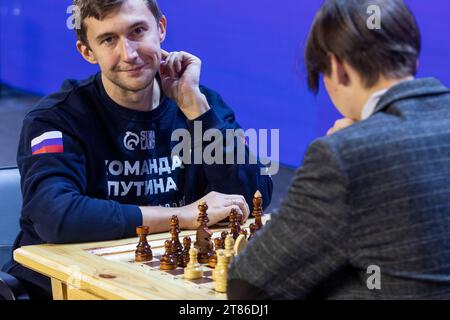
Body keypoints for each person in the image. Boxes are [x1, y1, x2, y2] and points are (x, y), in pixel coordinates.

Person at [2, 0, 272, 299]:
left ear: (161, 29)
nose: (129, 53)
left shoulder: (200, 102)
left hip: (160, 280)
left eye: (138, 31)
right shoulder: (56, 119)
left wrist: (197, 111)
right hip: (63, 285)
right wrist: (182, 215)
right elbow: (55, 216)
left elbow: (253, 196)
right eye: (108, 39)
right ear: (87, 52)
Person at [228, 0, 450, 299]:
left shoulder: (342, 155)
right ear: (413, 60)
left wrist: (356, 145)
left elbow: (247, 286)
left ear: (336, 67)